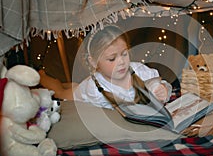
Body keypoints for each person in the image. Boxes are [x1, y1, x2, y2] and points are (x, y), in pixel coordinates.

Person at [38, 25, 172, 109]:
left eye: (124, 54)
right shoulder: (93, 90)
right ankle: (42, 76)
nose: (121, 62)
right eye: (112, 59)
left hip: (83, 85)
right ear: (94, 62)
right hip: (81, 92)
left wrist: (164, 89)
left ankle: (71, 84)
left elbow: (160, 83)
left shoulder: (139, 70)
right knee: (60, 91)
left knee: (73, 85)